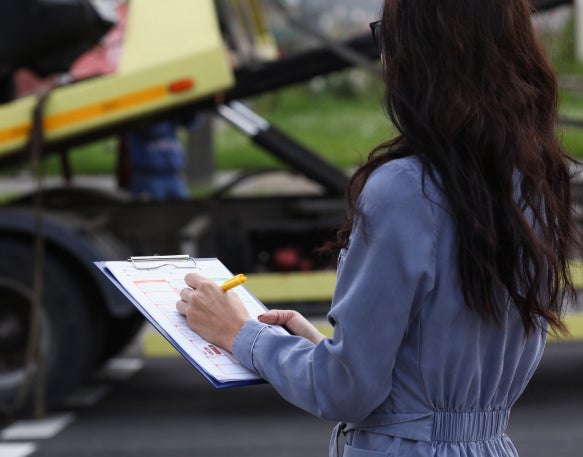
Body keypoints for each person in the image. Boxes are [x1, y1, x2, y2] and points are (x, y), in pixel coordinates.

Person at [176, 1, 582, 456]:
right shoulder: (536, 180)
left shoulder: (405, 189)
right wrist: (317, 348)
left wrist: (238, 333)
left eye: (385, 36)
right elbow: (418, 367)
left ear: (419, 55)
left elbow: (348, 392)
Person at [126, 121, 189, 200]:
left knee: (183, 209)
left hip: (172, 173)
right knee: (154, 211)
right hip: (148, 174)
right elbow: (154, 130)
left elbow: (191, 123)